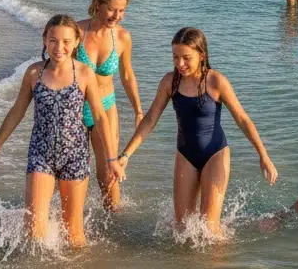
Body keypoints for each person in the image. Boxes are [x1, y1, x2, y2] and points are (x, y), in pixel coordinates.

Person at [0, 14, 124, 247]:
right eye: (53, 40)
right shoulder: (34, 73)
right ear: (45, 40)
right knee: (34, 232)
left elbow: (99, 117)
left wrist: (111, 159)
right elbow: (17, 112)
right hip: (40, 155)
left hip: (75, 156)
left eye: (66, 41)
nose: (60, 47)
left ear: (76, 42)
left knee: (74, 236)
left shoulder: (84, 73)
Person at [118, 27, 277, 234]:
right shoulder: (170, 82)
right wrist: (126, 155)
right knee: (182, 227)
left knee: (209, 229)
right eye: (175, 57)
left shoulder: (216, 81)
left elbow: (242, 119)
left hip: (215, 154)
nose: (180, 64)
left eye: (186, 58)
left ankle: (218, 265)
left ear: (201, 55)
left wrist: (263, 155)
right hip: (185, 154)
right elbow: (149, 120)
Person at [75, 0, 143, 209]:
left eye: (122, 10)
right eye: (113, 9)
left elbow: (127, 75)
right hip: (75, 109)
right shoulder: (76, 32)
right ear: (98, 4)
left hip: (105, 106)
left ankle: (113, 222)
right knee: (74, 171)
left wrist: (138, 110)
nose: (118, 15)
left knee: (107, 173)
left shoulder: (122, 38)